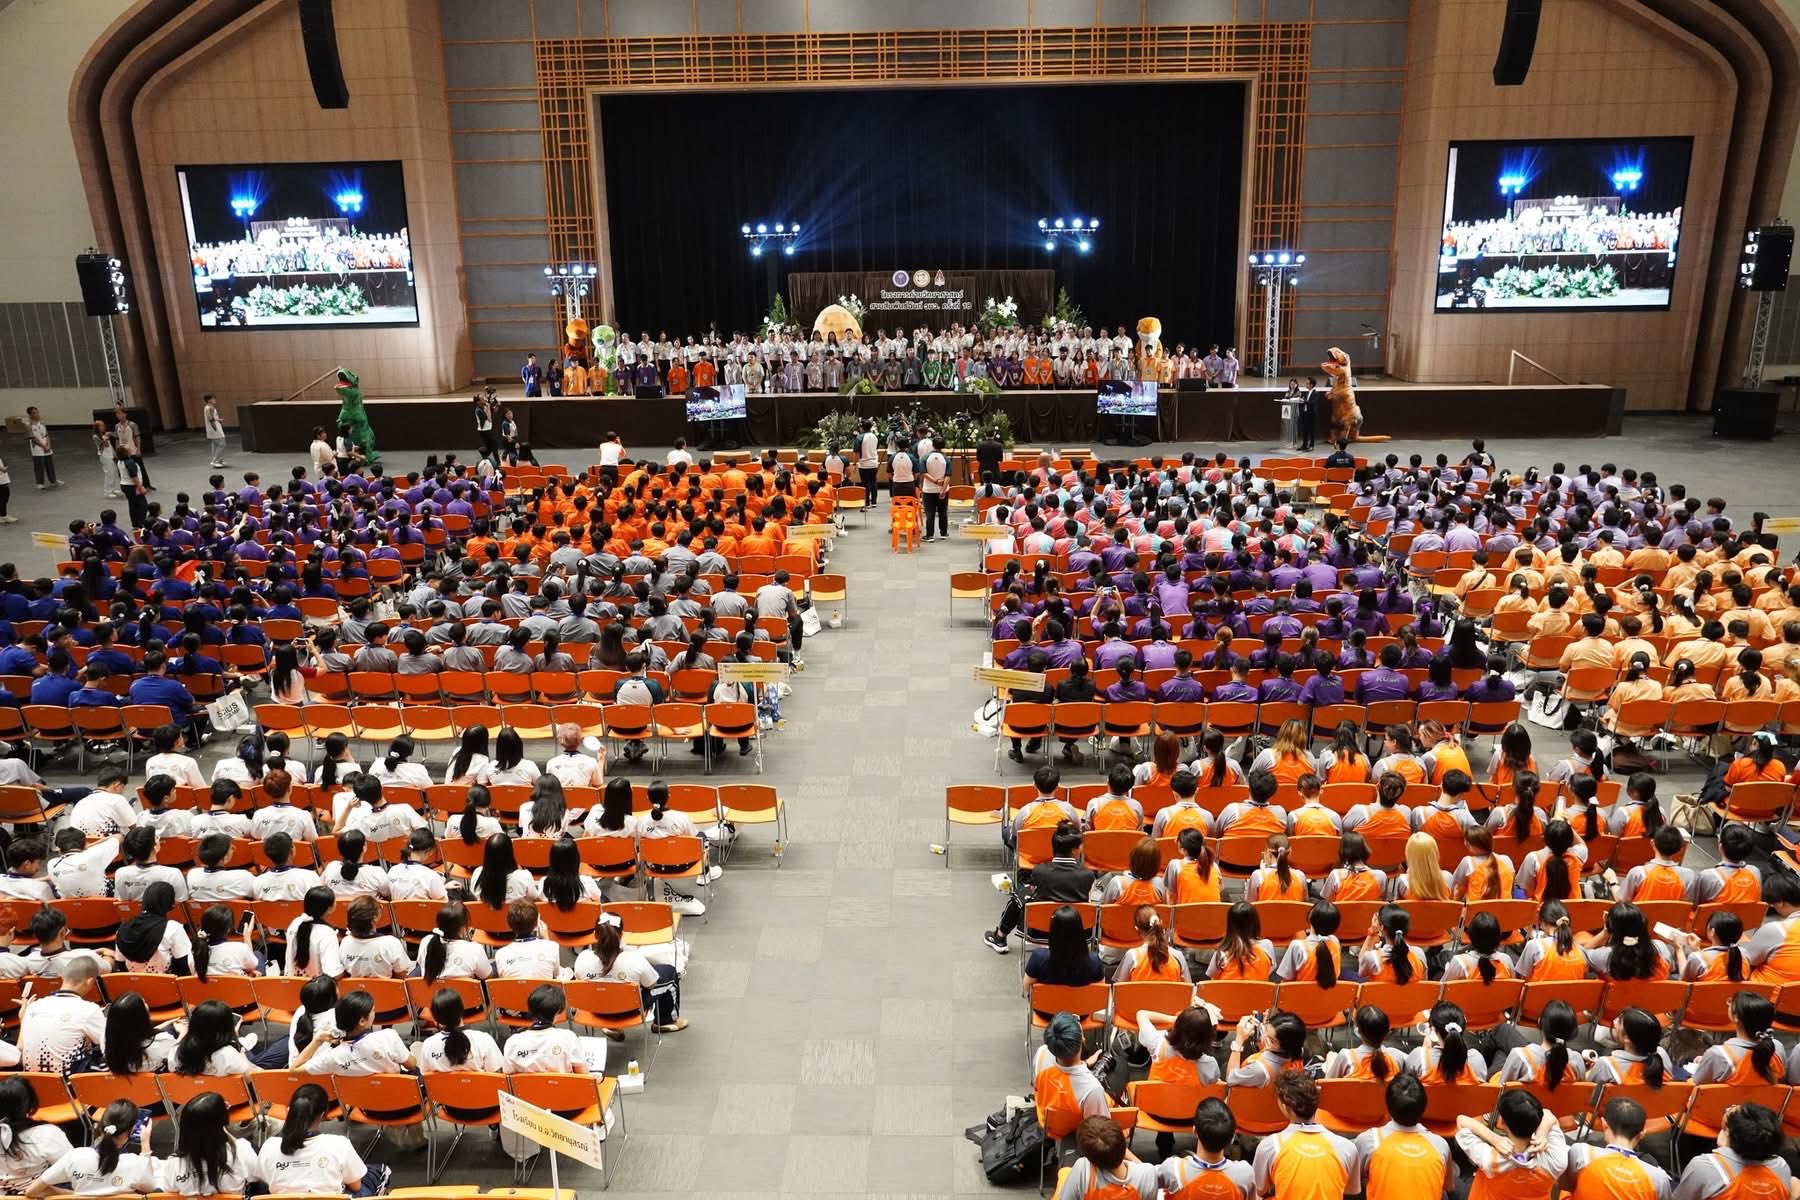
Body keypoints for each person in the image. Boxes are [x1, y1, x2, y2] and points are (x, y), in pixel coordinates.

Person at [256, 1082, 390, 1196]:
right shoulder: (339, 1144)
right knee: (380, 1171)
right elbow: (356, 1186)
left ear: (289, 1110)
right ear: (322, 1114)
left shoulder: (269, 1146)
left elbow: (264, 1181)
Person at [1252, 1071, 1360, 1200]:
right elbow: (1350, 1189)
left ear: (1285, 1107)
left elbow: (1259, 1190)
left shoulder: (1269, 1146)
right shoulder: (1347, 1147)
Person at [25, 1098, 151, 1197]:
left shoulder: (75, 1156)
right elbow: (151, 1191)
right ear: (132, 1130)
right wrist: (145, 1146)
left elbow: (31, 1191)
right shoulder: (136, 1163)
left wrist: (75, 1195)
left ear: (100, 1125)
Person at [1455, 1090, 1565, 1200]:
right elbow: (1550, 1116)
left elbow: (1461, 1120)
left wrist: (1494, 1139)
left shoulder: (1490, 1160)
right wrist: (1542, 1132)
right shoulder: (1556, 1162)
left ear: (1501, 1122)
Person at [1159, 1096, 1256, 1200]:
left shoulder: (1173, 1169)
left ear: (1195, 1131)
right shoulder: (1245, 1174)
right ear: (1232, 1137)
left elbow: (1148, 1181)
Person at [1057, 1114, 1160, 1200]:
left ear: (1091, 1160)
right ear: (1123, 1145)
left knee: (1068, 1141)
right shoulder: (1148, 1174)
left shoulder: (1083, 1169)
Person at [24, 407, 61, 489]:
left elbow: (47, 435)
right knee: (39, 465)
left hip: (46, 445)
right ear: (30, 415)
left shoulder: (42, 423)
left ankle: (53, 481)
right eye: (34, 413)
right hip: (37, 447)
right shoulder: (28, 425)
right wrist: (43, 446)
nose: (37, 414)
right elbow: (33, 438)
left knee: (50, 464)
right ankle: (40, 483)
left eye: (37, 412)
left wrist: (48, 445)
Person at [203, 393, 227, 468]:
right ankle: (215, 461)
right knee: (222, 444)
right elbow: (210, 419)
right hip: (214, 429)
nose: (215, 400)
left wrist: (218, 420)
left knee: (215, 445)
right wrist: (215, 429)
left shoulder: (209, 407)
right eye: (213, 398)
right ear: (209, 400)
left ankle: (219, 460)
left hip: (214, 428)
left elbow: (212, 418)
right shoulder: (209, 408)